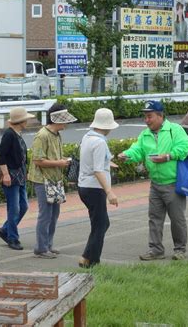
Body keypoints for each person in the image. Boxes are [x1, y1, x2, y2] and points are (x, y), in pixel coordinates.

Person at [118, 101, 188, 261]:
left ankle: (180, 250)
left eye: (149, 116)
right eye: (145, 117)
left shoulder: (174, 130)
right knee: (154, 218)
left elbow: (185, 147)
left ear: (160, 115)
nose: (147, 120)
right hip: (155, 184)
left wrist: (167, 156)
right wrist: (127, 155)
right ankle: (156, 250)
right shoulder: (145, 134)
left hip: (173, 182)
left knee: (177, 219)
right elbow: (137, 150)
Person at [28, 103, 77, 259]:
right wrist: (59, 163)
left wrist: (61, 160)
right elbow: (37, 160)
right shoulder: (42, 135)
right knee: (46, 214)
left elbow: (48, 157)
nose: (66, 124)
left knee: (54, 214)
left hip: (54, 178)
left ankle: (47, 245)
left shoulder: (55, 134)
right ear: (56, 120)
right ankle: (41, 248)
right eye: (64, 121)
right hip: (43, 179)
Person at [78, 108, 119, 269]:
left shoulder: (87, 137)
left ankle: (88, 257)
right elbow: (97, 170)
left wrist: (107, 163)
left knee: (100, 223)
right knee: (101, 224)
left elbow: (94, 162)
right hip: (94, 188)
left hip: (85, 186)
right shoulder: (100, 142)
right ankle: (90, 260)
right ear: (107, 126)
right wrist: (109, 191)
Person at [0, 107, 35, 250]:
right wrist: (5, 174)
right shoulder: (9, 135)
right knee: (14, 208)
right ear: (21, 121)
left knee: (23, 206)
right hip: (11, 176)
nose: (28, 121)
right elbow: (1, 156)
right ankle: (12, 238)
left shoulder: (17, 134)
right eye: (26, 119)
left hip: (20, 176)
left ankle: (5, 229)